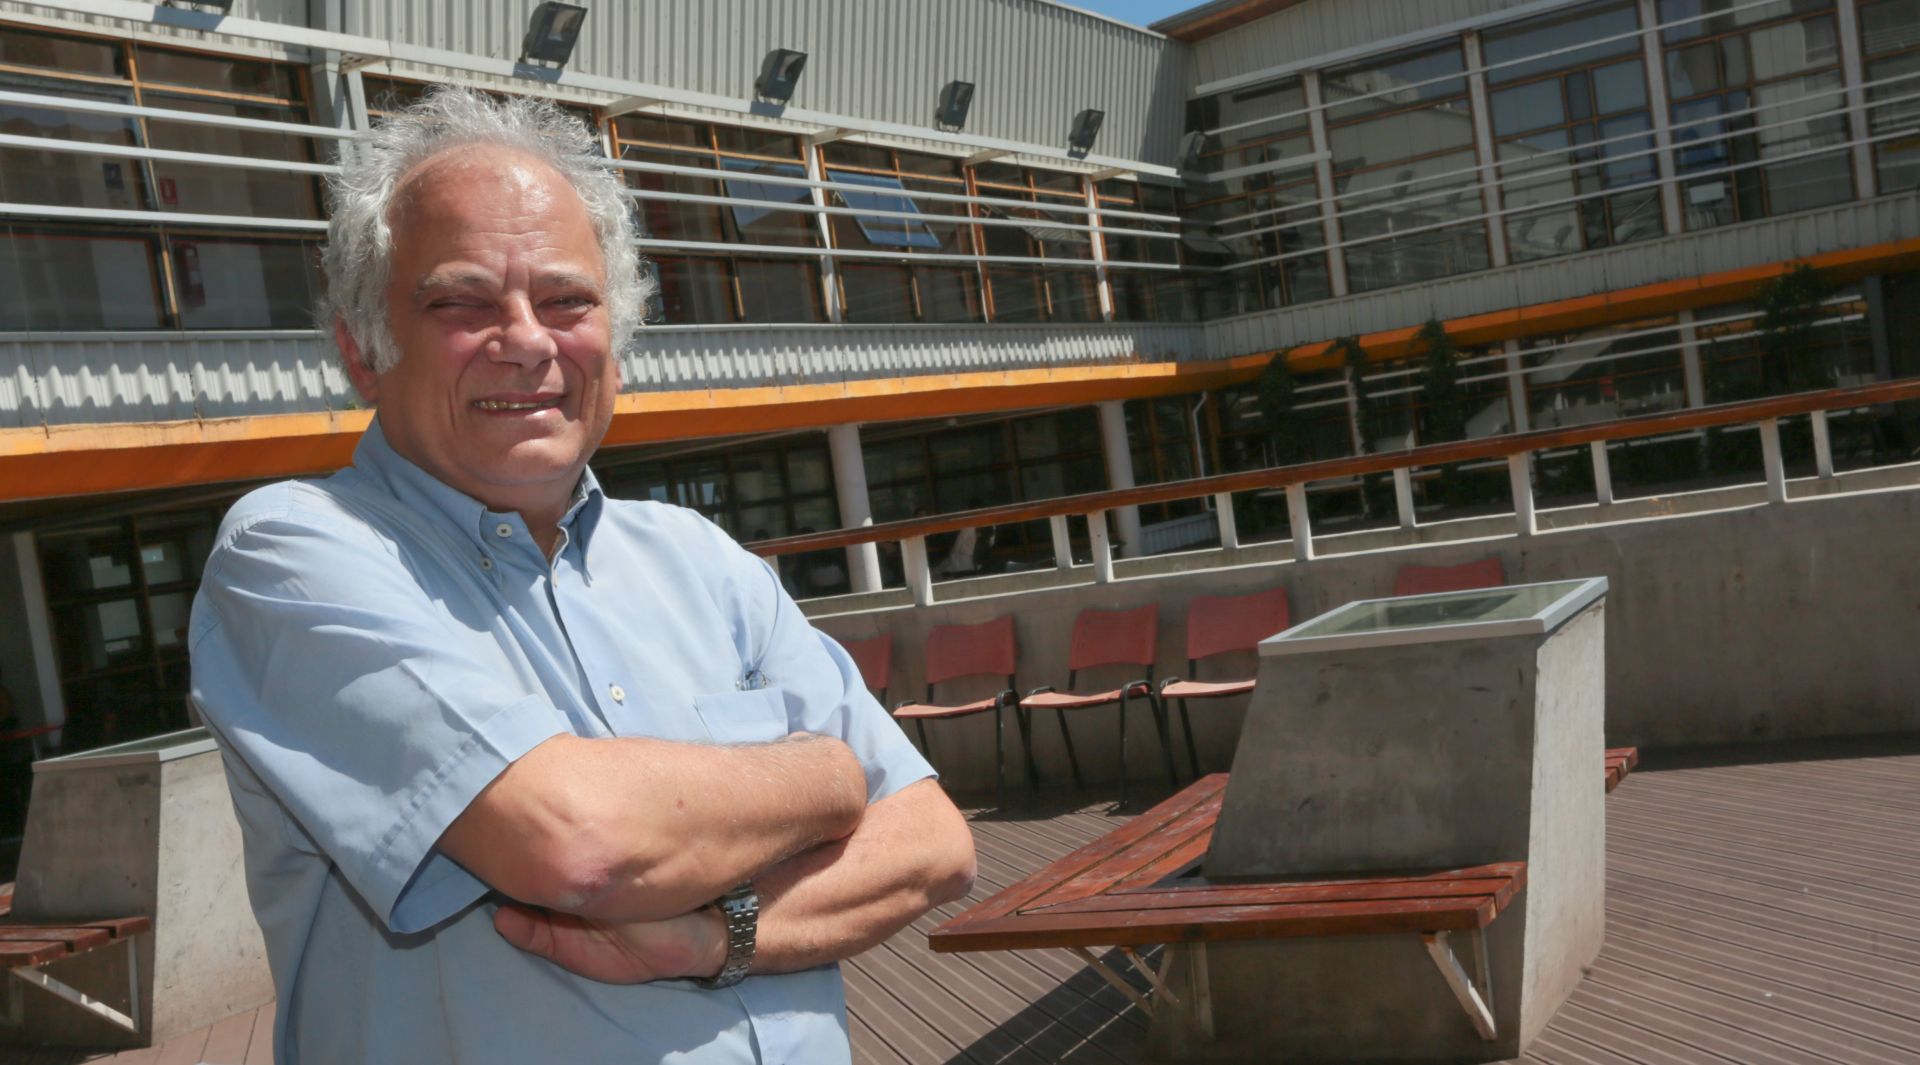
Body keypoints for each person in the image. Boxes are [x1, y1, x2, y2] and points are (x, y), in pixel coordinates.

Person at [188, 88, 975, 1065]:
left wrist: (712, 936)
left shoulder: (700, 558)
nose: (527, 340)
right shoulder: (293, 553)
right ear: (362, 348)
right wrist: (831, 772)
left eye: (568, 301)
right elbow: (578, 842)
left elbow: (933, 842)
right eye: (461, 302)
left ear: (618, 335)